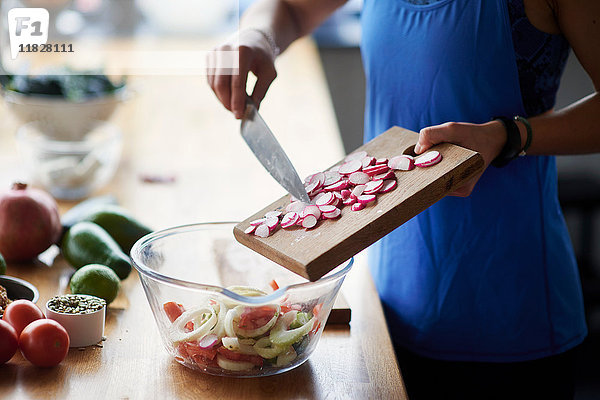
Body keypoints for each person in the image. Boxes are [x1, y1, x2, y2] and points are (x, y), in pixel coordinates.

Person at [208, 1, 600, 398]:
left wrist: (511, 136)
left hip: (508, 319)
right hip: (386, 306)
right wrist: (257, 35)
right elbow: (291, 9)